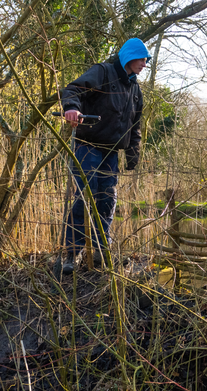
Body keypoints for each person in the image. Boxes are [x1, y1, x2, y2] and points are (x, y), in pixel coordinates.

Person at [55, 38, 151, 274]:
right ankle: (71, 252)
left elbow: (134, 125)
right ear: (129, 56)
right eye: (141, 59)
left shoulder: (135, 90)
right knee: (84, 197)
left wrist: (133, 152)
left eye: (146, 60)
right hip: (87, 145)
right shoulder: (103, 73)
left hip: (111, 151)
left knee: (107, 199)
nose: (144, 64)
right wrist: (71, 108)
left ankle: (100, 250)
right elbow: (73, 89)